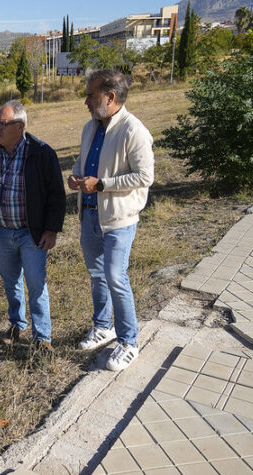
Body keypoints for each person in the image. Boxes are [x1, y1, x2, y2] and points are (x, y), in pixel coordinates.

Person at [68, 69, 154, 371]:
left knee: (116, 277)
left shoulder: (134, 130)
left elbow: (145, 176)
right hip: (89, 215)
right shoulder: (90, 127)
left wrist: (101, 184)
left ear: (110, 97)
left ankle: (129, 341)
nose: (86, 101)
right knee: (97, 275)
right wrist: (76, 176)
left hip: (118, 219)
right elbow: (83, 160)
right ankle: (104, 326)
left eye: (91, 95)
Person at [0, 100, 66, 352]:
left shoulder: (41, 153)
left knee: (36, 283)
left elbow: (56, 195)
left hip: (33, 233)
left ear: (20, 126)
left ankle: (43, 338)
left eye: (3, 124)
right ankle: (17, 324)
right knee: (10, 282)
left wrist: (51, 230)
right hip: (4, 231)